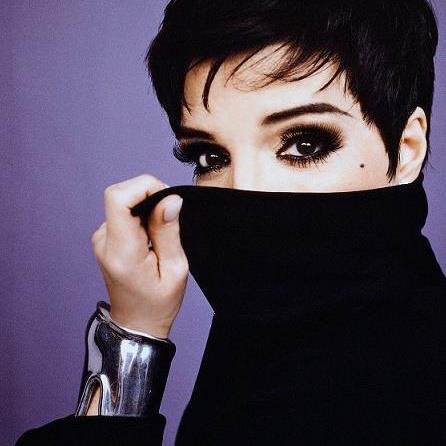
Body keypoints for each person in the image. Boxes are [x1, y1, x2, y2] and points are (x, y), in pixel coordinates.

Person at [16, 0, 446, 444]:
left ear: (407, 149)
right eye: (211, 156)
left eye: (303, 145)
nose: (244, 190)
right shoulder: (258, 334)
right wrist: (135, 331)